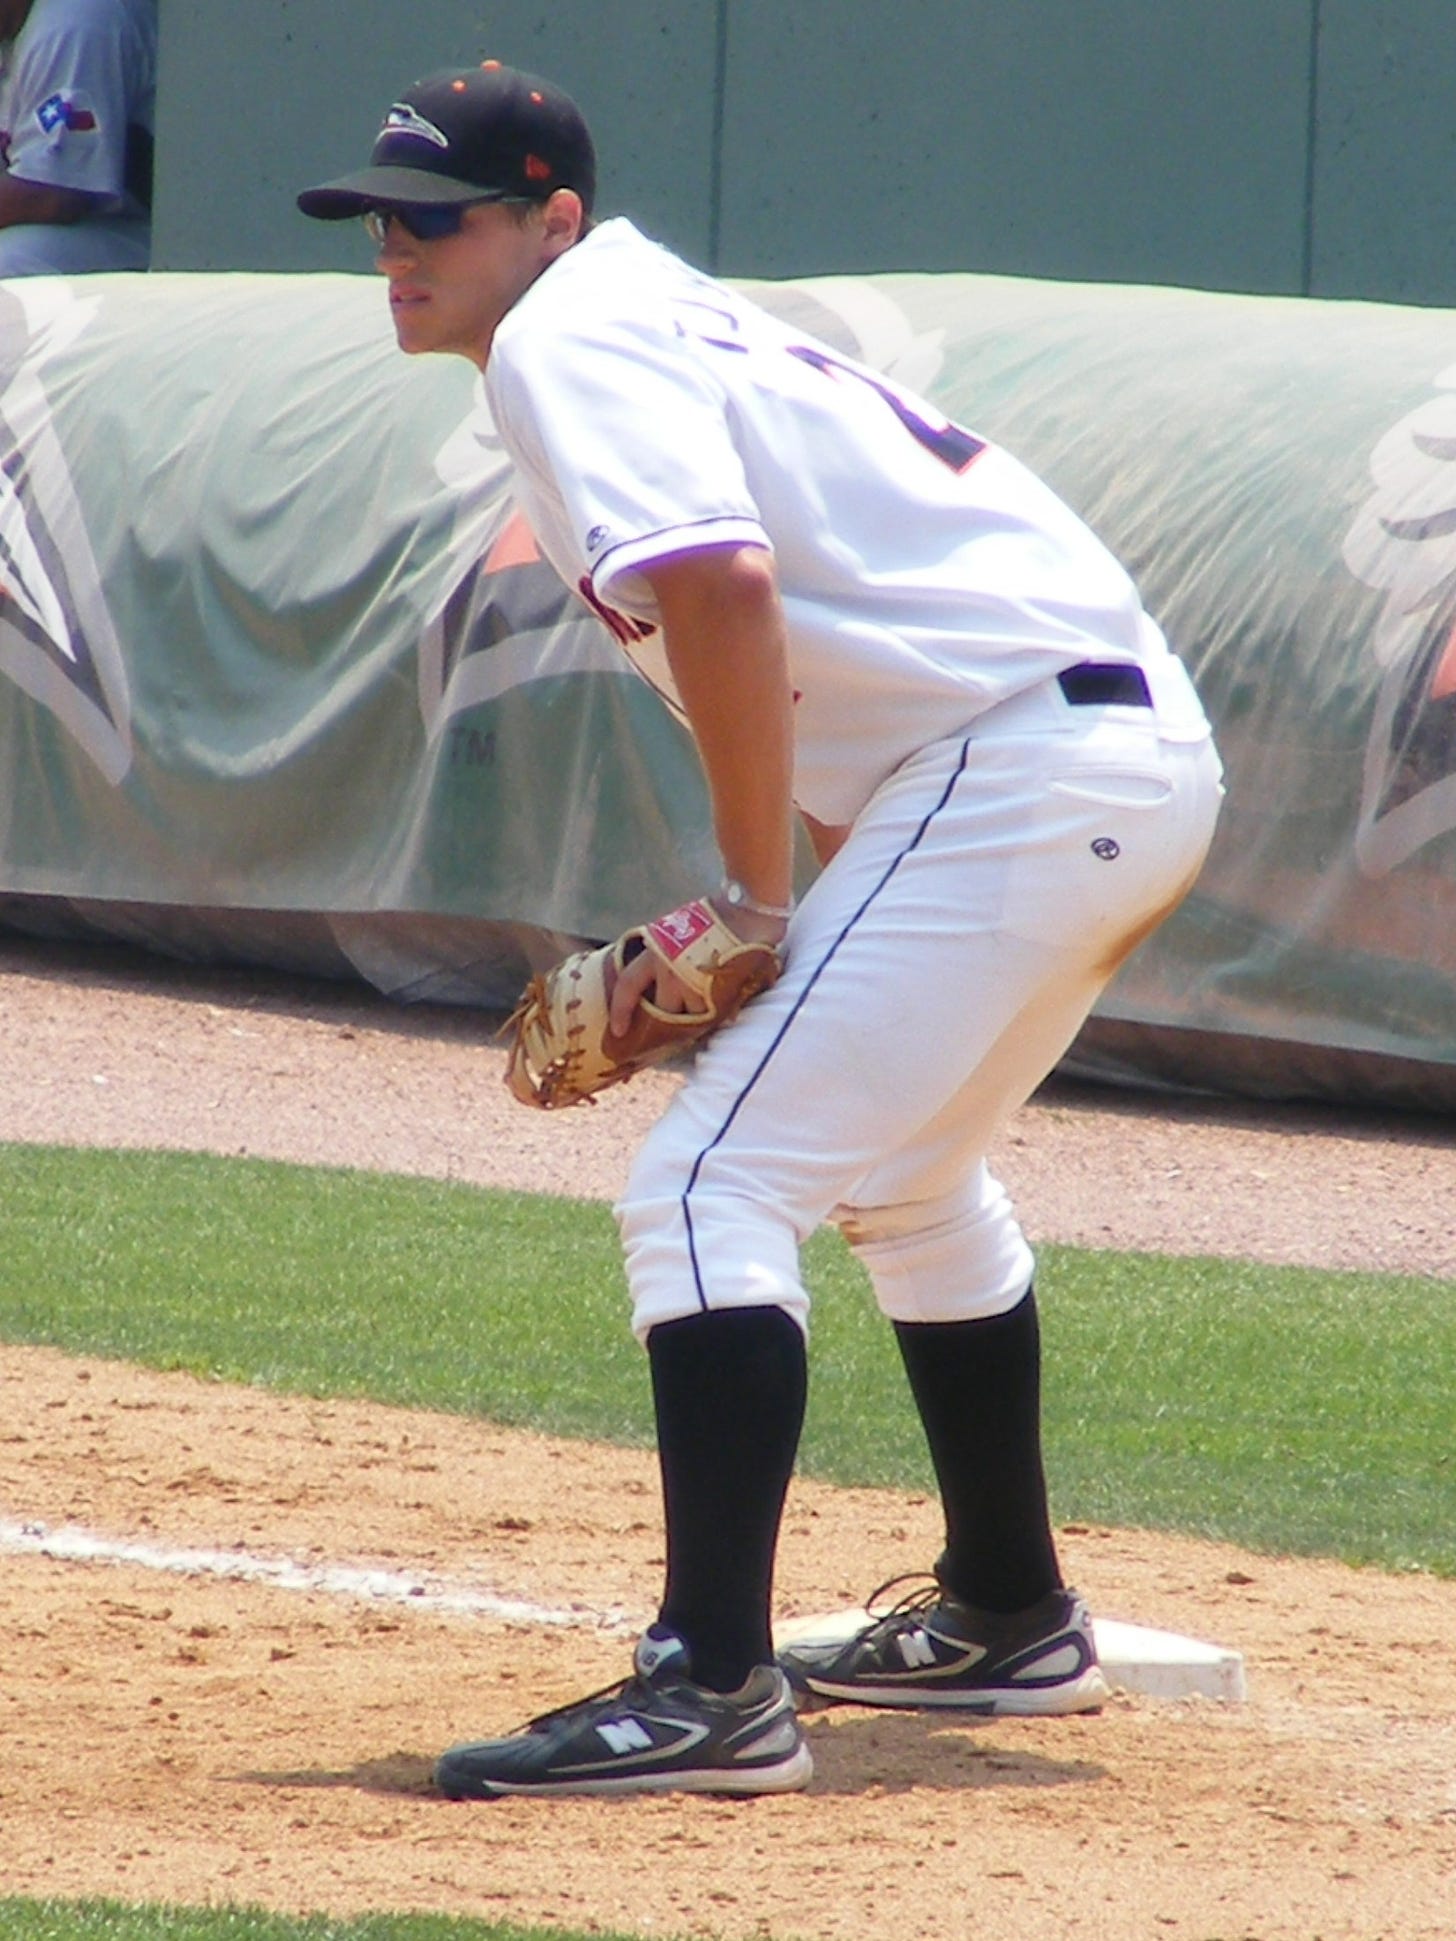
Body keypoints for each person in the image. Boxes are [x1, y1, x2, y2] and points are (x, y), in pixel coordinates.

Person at [299, 61, 1224, 1801]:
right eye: (374, 218)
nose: (393, 247)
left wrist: (747, 909)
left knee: (709, 1177)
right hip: (1087, 758)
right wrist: (790, 915)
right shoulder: (648, 317)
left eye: (434, 216)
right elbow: (823, 667)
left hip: (1022, 762)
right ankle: (1006, 1614)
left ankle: (710, 1684)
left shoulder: (569, 339)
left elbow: (727, 586)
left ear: (548, 220)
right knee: (902, 1171)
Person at [0, 0, 155, 277]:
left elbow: (51, 197)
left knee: (6, 264)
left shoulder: (75, 21)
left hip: (146, 237)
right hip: (79, 228)